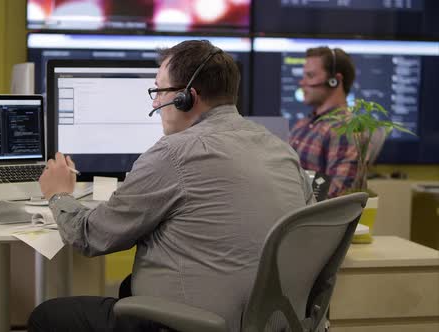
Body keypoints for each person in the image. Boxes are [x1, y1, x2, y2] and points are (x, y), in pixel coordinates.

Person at [28, 40, 314, 332]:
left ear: (185, 98)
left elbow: (90, 237)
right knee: (128, 285)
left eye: (158, 91)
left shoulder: (174, 153)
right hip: (271, 321)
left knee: (47, 316)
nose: (154, 103)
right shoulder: (282, 150)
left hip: (197, 324)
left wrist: (58, 192)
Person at [289, 46, 359, 198]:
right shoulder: (303, 123)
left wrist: (287, 189)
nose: (302, 82)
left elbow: (337, 192)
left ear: (335, 81)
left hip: (305, 217)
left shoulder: (345, 128)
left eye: (310, 75)